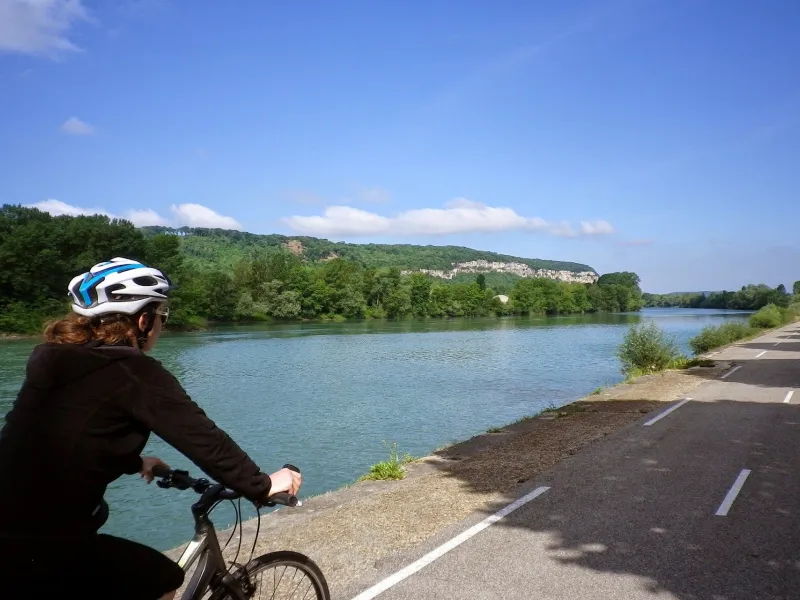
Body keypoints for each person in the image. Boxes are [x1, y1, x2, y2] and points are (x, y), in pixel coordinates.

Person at [0, 257, 302, 600]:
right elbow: (202, 438)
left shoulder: (52, 359)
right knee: (162, 578)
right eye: (161, 316)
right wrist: (262, 485)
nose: (161, 325)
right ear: (142, 320)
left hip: (14, 527)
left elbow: (59, 437)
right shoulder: (132, 370)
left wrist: (132, 460)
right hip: (39, 541)